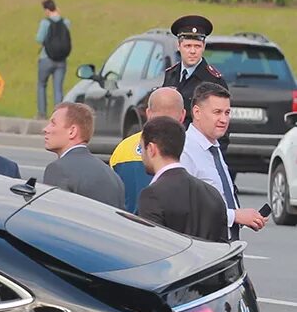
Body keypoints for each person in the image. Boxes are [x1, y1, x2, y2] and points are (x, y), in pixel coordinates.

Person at [179, 83, 266, 240]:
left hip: (225, 244)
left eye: (227, 113)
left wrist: (245, 217)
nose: (224, 119)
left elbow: (219, 198)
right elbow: (186, 207)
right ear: (197, 112)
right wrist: (235, 216)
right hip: (203, 247)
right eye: (217, 112)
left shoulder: (213, 146)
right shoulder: (185, 151)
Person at [135, 116, 229, 242]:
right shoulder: (212, 194)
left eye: (142, 148)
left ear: (151, 149)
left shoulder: (152, 195)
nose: (142, 155)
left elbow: (151, 248)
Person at [110, 86, 185, 214]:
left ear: (148, 113)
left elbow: (113, 195)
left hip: (127, 229)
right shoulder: (186, 147)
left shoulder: (123, 148)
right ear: (182, 116)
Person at [42, 102, 123, 208]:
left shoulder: (59, 169)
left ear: (72, 131)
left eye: (53, 123)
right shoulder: (112, 175)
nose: (45, 129)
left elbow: (54, 216)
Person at [160, 14, 225, 117]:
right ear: (178, 46)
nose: (193, 51)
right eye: (188, 46)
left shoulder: (213, 80)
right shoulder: (171, 74)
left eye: (197, 46)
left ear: (204, 47)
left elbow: (221, 121)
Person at [34, 0, 72, 119]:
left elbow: (39, 39)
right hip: (61, 60)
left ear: (46, 10)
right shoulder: (66, 22)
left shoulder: (45, 23)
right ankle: (59, 115)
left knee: (41, 85)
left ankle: (42, 113)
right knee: (58, 88)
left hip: (46, 58)